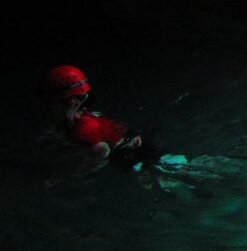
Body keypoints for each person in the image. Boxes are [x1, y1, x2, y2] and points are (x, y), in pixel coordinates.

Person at [35, 65, 163, 173]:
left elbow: (102, 150)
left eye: (50, 103)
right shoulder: (85, 117)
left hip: (139, 158)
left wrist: (74, 173)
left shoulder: (84, 127)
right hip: (140, 145)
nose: (47, 108)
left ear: (70, 102)